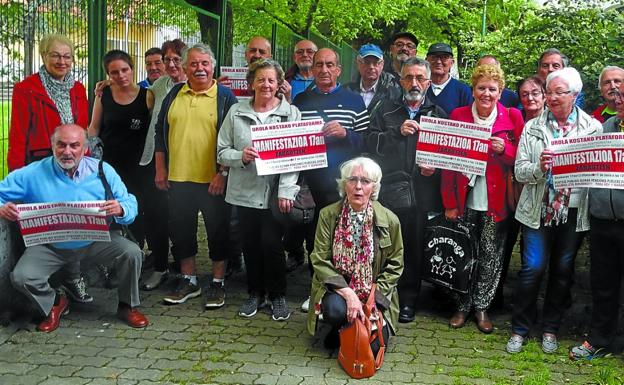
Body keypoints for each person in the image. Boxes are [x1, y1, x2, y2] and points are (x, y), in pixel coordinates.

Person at [2, 124, 147, 332]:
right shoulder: (32, 173)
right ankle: (55, 303)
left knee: (132, 253)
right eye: (61, 145)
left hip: (95, 240)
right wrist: (2, 208)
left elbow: (130, 202)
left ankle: (127, 306)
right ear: (52, 146)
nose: (67, 151)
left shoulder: (102, 171)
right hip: (50, 245)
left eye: (74, 145)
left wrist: (121, 209)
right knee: (22, 277)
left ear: (85, 148)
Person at [506, 67, 602, 354]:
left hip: (573, 211)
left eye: (559, 92)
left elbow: (597, 172)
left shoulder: (592, 128)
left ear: (574, 95)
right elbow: (520, 171)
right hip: (538, 208)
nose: (552, 97)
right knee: (532, 268)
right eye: (549, 92)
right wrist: (540, 167)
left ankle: (550, 328)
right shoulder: (533, 126)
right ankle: (519, 329)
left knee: (562, 270)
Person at [8, 33, 92, 304]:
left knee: (74, 221)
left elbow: (84, 129)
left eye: (67, 56)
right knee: (44, 226)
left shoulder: (78, 88)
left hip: (73, 164)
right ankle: (53, 284)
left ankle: (72, 276)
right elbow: (18, 134)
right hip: (41, 165)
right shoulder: (27, 88)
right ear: (44, 56)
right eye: (55, 55)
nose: (62, 61)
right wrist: (16, 177)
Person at [441, 64, 524, 333]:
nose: (486, 93)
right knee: (463, 251)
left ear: (500, 92)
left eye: (492, 89)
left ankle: (482, 307)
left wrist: (505, 149)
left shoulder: (511, 117)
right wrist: (450, 204)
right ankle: (462, 305)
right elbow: (447, 163)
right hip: (464, 195)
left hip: (496, 200)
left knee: (491, 254)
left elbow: (520, 159)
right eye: (481, 88)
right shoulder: (459, 115)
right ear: (473, 90)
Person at [154, 43, 238, 309]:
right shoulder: (175, 93)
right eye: (193, 63)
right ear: (185, 67)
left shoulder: (225, 97)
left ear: (213, 66)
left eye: (204, 63)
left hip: (212, 180)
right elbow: (160, 131)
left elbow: (235, 139)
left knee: (218, 232)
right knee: (181, 232)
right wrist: (160, 168)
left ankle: (217, 283)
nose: (199, 68)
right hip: (178, 178)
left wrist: (222, 173)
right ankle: (188, 280)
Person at [366, 57, 447, 323]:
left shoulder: (438, 113)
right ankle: (379, 297)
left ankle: (408, 301)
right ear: (400, 81)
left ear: (428, 81)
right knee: (383, 247)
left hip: (421, 194)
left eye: (420, 78)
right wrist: (396, 133)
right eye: (409, 78)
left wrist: (434, 169)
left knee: (413, 249)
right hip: (390, 191)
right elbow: (368, 145)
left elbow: (449, 157)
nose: (414, 83)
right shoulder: (385, 109)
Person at [217, 59, 299, 320]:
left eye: (271, 80)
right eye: (260, 79)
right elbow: (221, 151)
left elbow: (294, 157)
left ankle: (277, 296)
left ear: (279, 84)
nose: (266, 84)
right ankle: (255, 293)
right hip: (244, 191)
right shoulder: (236, 112)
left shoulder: (291, 113)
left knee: (272, 245)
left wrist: (287, 191)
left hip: (274, 194)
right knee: (250, 244)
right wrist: (240, 156)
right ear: (251, 83)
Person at [293, 48, 369, 311]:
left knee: (345, 237)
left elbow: (366, 141)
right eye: (319, 65)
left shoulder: (354, 100)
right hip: (310, 184)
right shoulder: (301, 100)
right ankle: (317, 290)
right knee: (316, 239)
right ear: (312, 69)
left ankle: (346, 289)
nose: (324, 70)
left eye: (330, 65)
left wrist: (345, 133)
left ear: (338, 69)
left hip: (343, 184)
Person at [307, 157, 404, 351]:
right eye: (352, 180)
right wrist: (348, 293)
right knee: (335, 311)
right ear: (344, 185)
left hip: (373, 290)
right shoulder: (328, 215)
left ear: (373, 188)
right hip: (338, 288)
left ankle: (355, 327)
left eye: (365, 181)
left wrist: (375, 300)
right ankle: (339, 328)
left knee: (374, 347)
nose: (358, 187)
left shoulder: (390, 220)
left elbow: (396, 264)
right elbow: (319, 258)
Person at [569, 88, 624, 360]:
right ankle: (600, 339)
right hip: (602, 218)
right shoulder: (605, 128)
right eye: (619, 96)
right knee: (603, 283)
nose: (619, 101)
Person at [89, 50, 154, 258]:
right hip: (109, 165)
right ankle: (113, 256)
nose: (121, 76)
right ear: (108, 75)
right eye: (114, 72)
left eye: (125, 70)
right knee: (109, 208)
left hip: (139, 165)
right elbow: (94, 128)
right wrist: (86, 155)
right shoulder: (104, 94)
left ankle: (136, 254)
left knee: (137, 208)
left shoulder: (148, 96)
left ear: (133, 69)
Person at [494, 75, 547, 309]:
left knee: (532, 253)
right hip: (513, 192)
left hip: (541, 197)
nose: (530, 98)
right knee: (505, 245)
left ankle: (528, 301)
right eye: (524, 94)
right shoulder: (515, 117)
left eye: (535, 93)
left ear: (545, 95)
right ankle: (496, 296)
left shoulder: (553, 123)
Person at [139, 39, 187, 290]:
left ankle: (182, 268)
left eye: (176, 59)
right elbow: (140, 101)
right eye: (167, 59)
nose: (170, 64)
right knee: (156, 216)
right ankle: (159, 266)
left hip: (183, 163)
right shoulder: (159, 85)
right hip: (153, 159)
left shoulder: (195, 86)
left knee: (180, 218)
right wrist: (108, 85)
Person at [346, 44, 401, 120]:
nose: (371, 67)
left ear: (382, 65)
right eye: (367, 62)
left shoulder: (392, 94)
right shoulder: (346, 91)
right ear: (358, 63)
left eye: (375, 63)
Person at [425, 43, 473, 114]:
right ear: (426, 61)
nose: (438, 62)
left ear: (452, 62)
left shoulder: (463, 91)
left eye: (444, 57)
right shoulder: (419, 87)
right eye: (434, 57)